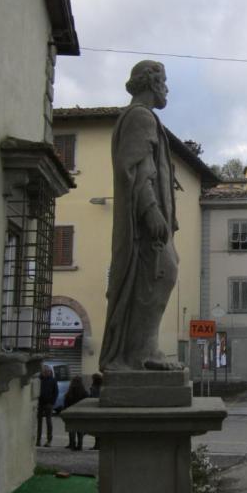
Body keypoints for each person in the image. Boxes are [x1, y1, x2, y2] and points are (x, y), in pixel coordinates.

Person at [99, 60, 180, 373]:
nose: (167, 88)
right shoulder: (140, 118)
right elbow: (134, 168)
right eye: (164, 81)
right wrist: (151, 211)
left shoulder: (143, 118)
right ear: (152, 82)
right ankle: (138, 356)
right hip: (144, 224)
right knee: (155, 279)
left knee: (156, 279)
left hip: (150, 223)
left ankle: (143, 352)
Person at [63, 375, 88, 450]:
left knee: (72, 429)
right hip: (81, 412)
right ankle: (80, 445)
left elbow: (66, 402)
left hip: (71, 412)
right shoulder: (83, 392)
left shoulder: (70, 392)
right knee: (80, 429)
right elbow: (87, 401)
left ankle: (72, 444)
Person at [36, 365, 58, 446]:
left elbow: (56, 392)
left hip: (48, 404)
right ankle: (38, 440)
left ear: (50, 372)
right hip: (40, 403)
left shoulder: (53, 380)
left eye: (47, 371)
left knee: (48, 422)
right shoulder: (39, 379)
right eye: (44, 371)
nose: (46, 373)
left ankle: (49, 440)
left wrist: (52, 402)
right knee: (39, 422)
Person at [89, 372, 103, 449]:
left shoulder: (94, 387)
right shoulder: (102, 386)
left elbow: (92, 397)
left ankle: (97, 444)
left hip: (96, 408)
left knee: (97, 428)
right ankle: (98, 444)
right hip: (101, 408)